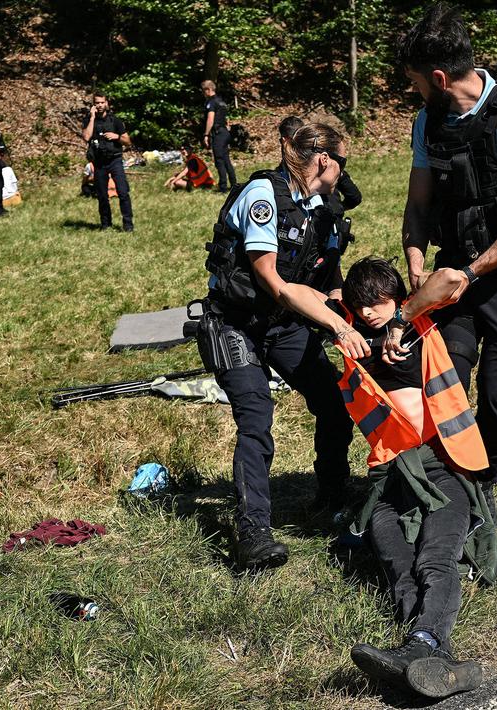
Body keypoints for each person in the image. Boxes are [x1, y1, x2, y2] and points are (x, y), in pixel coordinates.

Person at [398, 3, 497, 530]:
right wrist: (417, 263)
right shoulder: (430, 120)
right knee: (446, 372)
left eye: (419, 83)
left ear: (441, 77)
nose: (416, 94)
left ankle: (486, 475)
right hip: (452, 269)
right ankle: (449, 474)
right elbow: (419, 204)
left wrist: (470, 273)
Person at [196, 122, 363, 572]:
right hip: (235, 324)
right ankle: (253, 531)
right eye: (342, 163)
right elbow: (274, 282)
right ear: (325, 160)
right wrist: (335, 328)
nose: (345, 176)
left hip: (284, 325)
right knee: (256, 417)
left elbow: (328, 286)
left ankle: (332, 497)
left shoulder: (323, 209)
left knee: (333, 402)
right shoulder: (264, 197)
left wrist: (365, 318)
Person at [332, 257, 497, 699]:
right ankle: (429, 655)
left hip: (442, 467)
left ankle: (422, 647)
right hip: (388, 480)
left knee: (435, 560)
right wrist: (341, 321)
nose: (369, 312)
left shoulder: (418, 322)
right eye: (360, 306)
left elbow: (449, 278)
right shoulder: (351, 334)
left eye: (378, 303)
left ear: (397, 299)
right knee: (398, 567)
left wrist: (401, 319)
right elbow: (300, 295)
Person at [278, 116, 361, 216]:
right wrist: (338, 210)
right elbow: (354, 197)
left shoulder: (279, 180)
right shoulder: (271, 192)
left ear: (283, 140)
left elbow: (355, 197)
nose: (340, 171)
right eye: (341, 162)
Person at [81, 92, 134, 231]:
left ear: (106, 104)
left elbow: (128, 142)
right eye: (97, 103)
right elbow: (86, 137)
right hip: (99, 163)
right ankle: (106, 224)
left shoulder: (115, 121)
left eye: (102, 102)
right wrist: (92, 118)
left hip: (115, 160)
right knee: (102, 195)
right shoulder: (89, 120)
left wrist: (116, 136)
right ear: (93, 105)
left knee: (123, 192)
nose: (99, 105)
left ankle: (128, 225)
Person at [202, 80, 237, 192]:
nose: (203, 93)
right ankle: (234, 184)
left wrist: (206, 134)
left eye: (204, 91)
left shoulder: (211, 102)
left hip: (218, 133)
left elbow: (210, 118)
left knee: (219, 160)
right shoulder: (221, 101)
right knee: (226, 159)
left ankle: (223, 187)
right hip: (225, 132)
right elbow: (225, 119)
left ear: (208, 90)